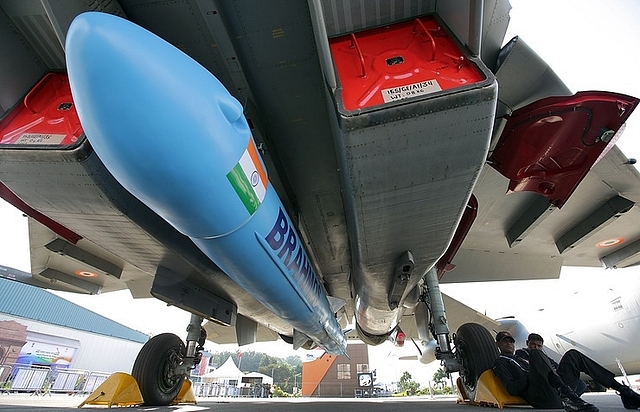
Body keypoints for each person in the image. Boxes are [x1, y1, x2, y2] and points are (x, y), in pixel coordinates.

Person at [493, 331, 640, 411]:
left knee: (573, 355)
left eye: (511, 341)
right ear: (497, 344)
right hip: (543, 397)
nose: (509, 343)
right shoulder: (501, 362)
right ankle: (569, 398)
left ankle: (625, 392)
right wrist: (530, 373)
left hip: (555, 391)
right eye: (505, 341)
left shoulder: (522, 358)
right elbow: (512, 388)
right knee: (536, 354)